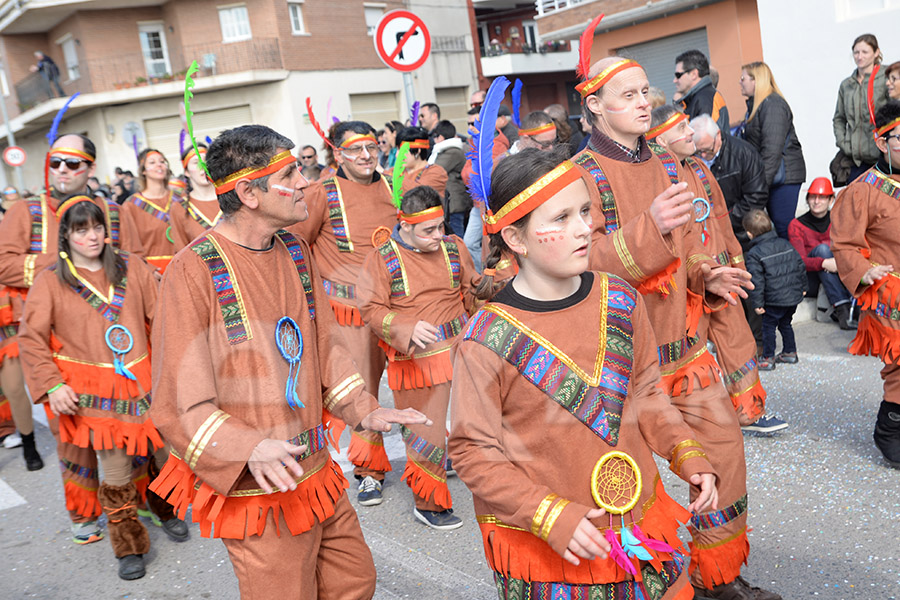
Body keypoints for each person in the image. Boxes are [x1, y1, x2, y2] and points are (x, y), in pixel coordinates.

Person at [148, 124, 429, 597]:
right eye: (290, 173)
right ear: (248, 193)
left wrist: (366, 408)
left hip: (316, 470)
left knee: (354, 580)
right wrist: (248, 446)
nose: (305, 183)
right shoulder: (191, 270)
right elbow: (178, 400)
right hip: (257, 486)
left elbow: (325, 351)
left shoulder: (296, 251)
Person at [449, 147, 718, 599]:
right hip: (556, 548)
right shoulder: (483, 339)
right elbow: (474, 451)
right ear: (516, 239)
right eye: (560, 218)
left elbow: (648, 394)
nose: (583, 229)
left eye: (586, 211)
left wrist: (686, 453)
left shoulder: (620, 297)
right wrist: (547, 513)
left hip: (641, 524)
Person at [572, 38, 778, 598]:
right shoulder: (576, 176)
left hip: (684, 352)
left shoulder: (669, 162)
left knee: (724, 453)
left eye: (645, 92)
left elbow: (687, 245)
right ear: (594, 105)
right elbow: (574, 264)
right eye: (628, 95)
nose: (643, 103)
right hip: (616, 363)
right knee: (628, 483)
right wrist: (647, 228)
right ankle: (656, 582)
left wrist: (705, 275)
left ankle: (718, 575)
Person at [19, 195, 188, 580]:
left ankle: (167, 510)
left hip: (145, 382)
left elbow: (162, 318)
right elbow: (31, 339)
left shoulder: (131, 266)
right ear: (65, 236)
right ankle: (128, 545)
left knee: (164, 455)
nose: (92, 237)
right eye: (81, 230)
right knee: (116, 472)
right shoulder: (50, 280)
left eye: (96, 227)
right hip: (95, 396)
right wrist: (52, 384)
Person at [289, 120, 398, 505]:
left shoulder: (392, 182)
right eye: (355, 150)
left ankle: (428, 457)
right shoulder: (323, 193)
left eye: (371, 147)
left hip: (397, 304)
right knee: (362, 390)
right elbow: (295, 243)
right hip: (350, 311)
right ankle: (369, 470)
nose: (366, 156)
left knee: (416, 384)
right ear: (337, 154)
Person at [358, 185, 478, 530]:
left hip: (459, 348)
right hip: (417, 361)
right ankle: (429, 503)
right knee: (424, 431)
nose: (439, 235)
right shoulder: (382, 257)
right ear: (404, 224)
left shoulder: (452, 247)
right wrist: (405, 327)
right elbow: (371, 308)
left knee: (470, 420)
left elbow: (470, 289)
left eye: (442, 226)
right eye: (429, 230)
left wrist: (494, 282)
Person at [648, 106, 773, 431]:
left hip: (719, 271)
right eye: (682, 129)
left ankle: (749, 410)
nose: (690, 134)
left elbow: (719, 219)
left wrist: (734, 259)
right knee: (691, 348)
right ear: (660, 138)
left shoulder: (700, 167)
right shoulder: (652, 176)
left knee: (738, 338)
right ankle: (698, 420)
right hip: (686, 282)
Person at [831, 100, 900, 468]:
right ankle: (888, 429)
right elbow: (843, 243)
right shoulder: (862, 190)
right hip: (889, 291)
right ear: (881, 141)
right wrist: (864, 270)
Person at [740, 61, 806, 240]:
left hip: (783, 178)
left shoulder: (772, 105)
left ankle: (797, 266)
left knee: (785, 228)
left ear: (756, 80)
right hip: (774, 177)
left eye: (743, 78)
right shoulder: (758, 105)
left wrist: (760, 187)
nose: (740, 82)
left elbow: (772, 150)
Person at [743, 209, 807, 371]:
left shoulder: (754, 253)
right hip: (792, 296)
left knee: (768, 327)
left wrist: (757, 302)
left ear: (750, 234)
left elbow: (756, 280)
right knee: (786, 324)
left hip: (773, 299)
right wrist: (804, 287)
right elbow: (799, 265)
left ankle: (767, 357)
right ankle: (790, 352)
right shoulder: (785, 243)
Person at [691, 114, 768, 249]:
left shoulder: (744, 153)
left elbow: (755, 197)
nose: (703, 155)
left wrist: (723, 221)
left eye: (708, 150)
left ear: (718, 135)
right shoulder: (691, 157)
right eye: (698, 151)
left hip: (738, 231)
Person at [787, 177, 854, 330]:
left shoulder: (838, 220)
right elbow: (799, 261)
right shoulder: (796, 225)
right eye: (813, 197)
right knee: (823, 250)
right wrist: (824, 263)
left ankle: (848, 307)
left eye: (822, 197)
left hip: (838, 272)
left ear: (831, 200)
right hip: (809, 279)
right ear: (808, 199)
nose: (817, 201)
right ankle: (843, 309)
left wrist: (836, 264)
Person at [834, 34, 889, 183]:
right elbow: (839, 118)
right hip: (855, 161)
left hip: (881, 157)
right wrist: (844, 144)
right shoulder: (846, 85)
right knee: (857, 203)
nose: (859, 56)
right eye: (856, 52)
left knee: (881, 203)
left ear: (876, 52)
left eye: (865, 52)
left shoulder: (886, 78)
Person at [122, 149, 181, 273]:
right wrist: (149, 269)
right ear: (143, 170)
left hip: (183, 267)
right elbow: (129, 245)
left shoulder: (180, 198)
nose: (159, 165)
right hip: (153, 273)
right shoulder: (131, 205)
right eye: (152, 162)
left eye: (162, 161)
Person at [168, 143, 221, 250]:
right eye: (196, 162)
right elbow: (181, 251)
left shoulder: (231, 197)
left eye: (206, 161)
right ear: (187, 172)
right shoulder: (179, 208)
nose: (203, 166)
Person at [429, 120, 468, 237]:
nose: (433, 140)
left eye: (435, 137)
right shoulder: (445, 151)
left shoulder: (452, 152)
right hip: (450, 203)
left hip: (454, 204)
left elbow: (434, 171)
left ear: (440, 137)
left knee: (456, 239)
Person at [674, 49, 729, 133]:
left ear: (694, 74)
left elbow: (706, 141)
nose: (674, 80)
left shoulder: (705, 100)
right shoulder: (696, 98)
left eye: (678, 75)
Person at [393, 127, 448, 197]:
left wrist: (392, 178)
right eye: (397, 150)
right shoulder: (397, 171)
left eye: (401, 150)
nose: (397, 155)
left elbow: (421, 193)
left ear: (417, 151)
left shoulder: (436, 172)